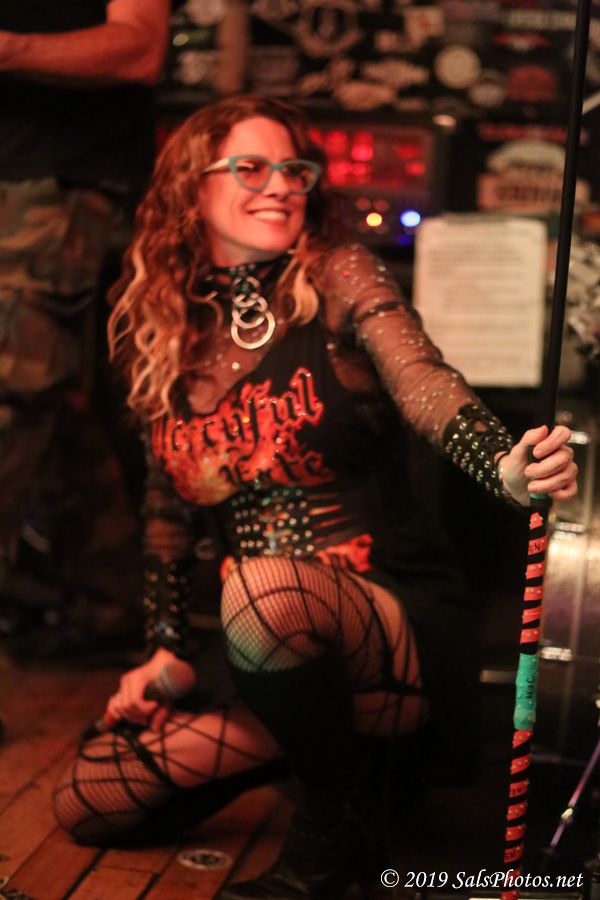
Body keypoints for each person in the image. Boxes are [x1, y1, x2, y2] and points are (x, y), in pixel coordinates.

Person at [53, 95, 578, 899]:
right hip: (262, 649)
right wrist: (164, 647)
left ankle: (332, 828)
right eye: (250, 167)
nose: (280, 185)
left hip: (389, 624)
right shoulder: (164, 327)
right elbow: (166, 510)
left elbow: (423, 381)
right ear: (193, 187)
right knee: (89, 798)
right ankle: (338, 763)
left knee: (262, 591)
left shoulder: (338, 273)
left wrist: (500, 462)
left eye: (294, 170)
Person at [0, 0, 170, 648]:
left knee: (12, 396)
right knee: (57, 398)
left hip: (53, 184)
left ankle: (115, 606)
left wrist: (8, 47)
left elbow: (140, 46)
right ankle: (112, 603)